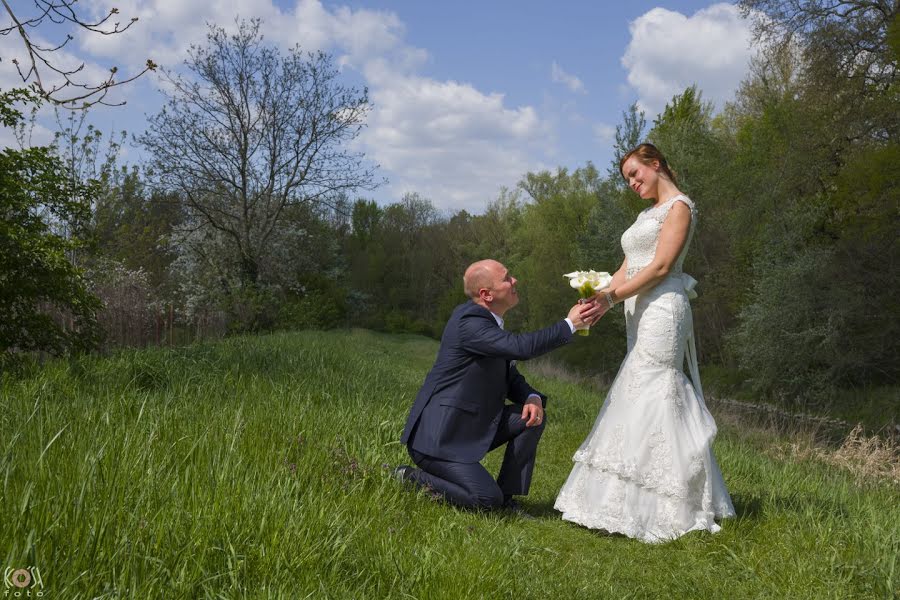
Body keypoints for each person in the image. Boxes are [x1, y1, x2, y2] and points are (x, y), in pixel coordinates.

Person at [554, 143, 735, 542]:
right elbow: (627, 266)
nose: (633, 184)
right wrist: (599, 296)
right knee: (637, 392)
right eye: (627, 180)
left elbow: (662, 266)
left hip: (664, 310)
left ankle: (671, 502)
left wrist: (612, 298)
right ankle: (630, 496)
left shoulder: (679, 207)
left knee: (652, 387)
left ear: (656, 165)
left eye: (636, 174)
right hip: (636, 310)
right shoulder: (645, 215)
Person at [396, 259, 591, 512]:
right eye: (507, 278)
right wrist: (570, 324)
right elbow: (522, 348)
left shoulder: (488, 323)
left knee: (534, 417)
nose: (514, 281)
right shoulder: (469, 322)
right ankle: (409, 477)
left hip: (468, 429)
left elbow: (509, 376)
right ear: (486, 295)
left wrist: (531, 396)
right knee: (486, 500)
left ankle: (508, 499)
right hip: (439, 440)